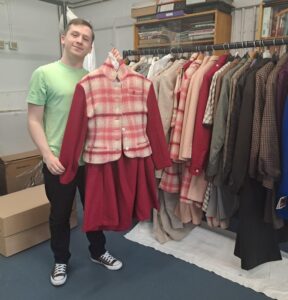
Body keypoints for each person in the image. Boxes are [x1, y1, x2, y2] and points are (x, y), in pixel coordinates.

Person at [27, 18, 122, 287]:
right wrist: (47, 155)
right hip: (59, 160)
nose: (79, 40)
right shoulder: (43, 74)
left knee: (94, 208)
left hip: (91, 159)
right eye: (75, 35)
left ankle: (97, 251)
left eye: (86, 38)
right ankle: (60, 259)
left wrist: (115, 68)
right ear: (63, 39)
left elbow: (115, 103)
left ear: (91, 47)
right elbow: (34, 119)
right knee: (60, 213)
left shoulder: (93, 78)